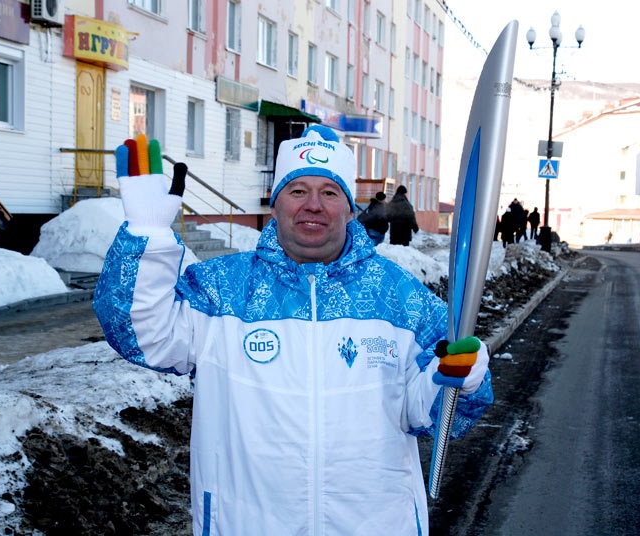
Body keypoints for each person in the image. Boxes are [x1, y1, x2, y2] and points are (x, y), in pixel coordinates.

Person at [94, 125, 492, 535]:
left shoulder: (400, 296)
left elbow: (431, 414)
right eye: (298, 190)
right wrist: (148, 233)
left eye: (330, 192)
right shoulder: (219, 291)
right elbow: (140, 334)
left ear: (350, 208)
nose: (313, 205)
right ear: (275, 205)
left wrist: (459, 378)